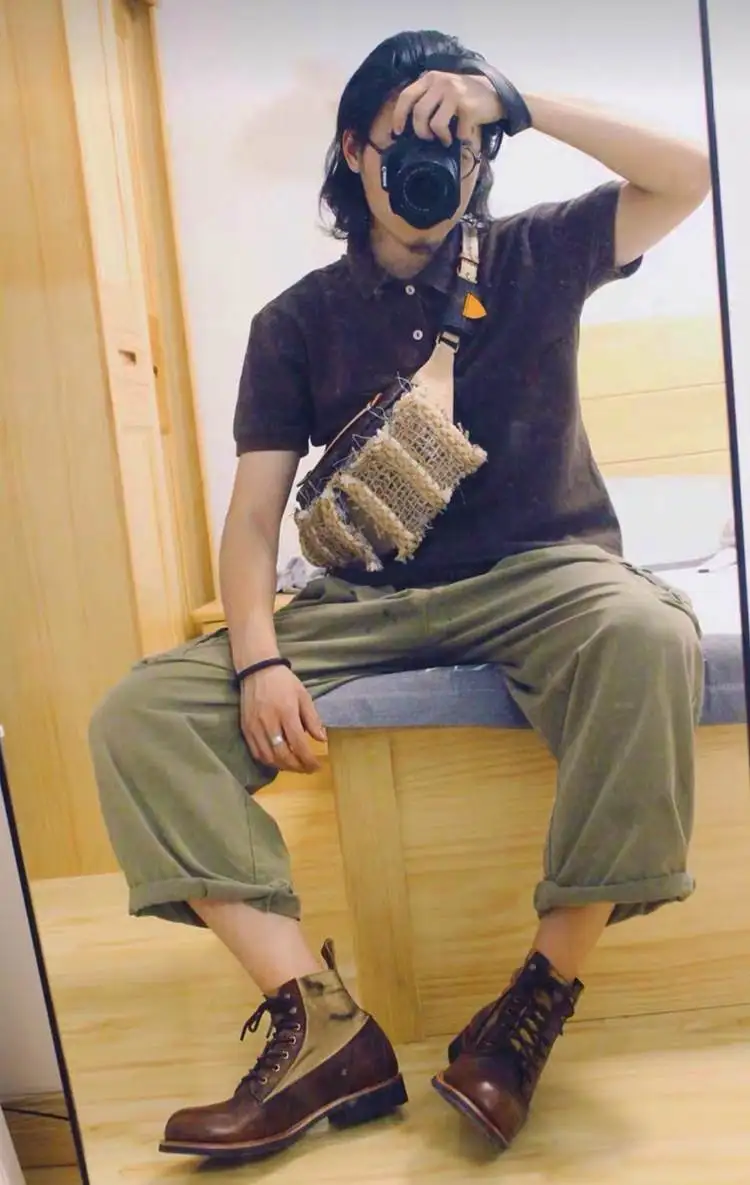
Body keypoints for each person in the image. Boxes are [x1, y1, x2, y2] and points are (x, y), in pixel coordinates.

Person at [89, 28, 711, 1161]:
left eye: (457, 146)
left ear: (484, 154)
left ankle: (532, 1004)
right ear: (353, 153)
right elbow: (253, 518)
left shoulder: (535, 253)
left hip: (541, 574)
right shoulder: (294, 321)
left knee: (645, 635)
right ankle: (323, 1028)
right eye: (407, 145)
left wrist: (515, 98)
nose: (434, 168)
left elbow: (688, 174)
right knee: (139, 716)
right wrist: (258, 657)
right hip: (365, 599)